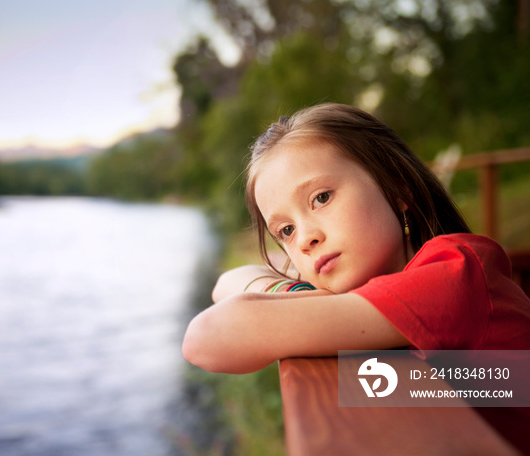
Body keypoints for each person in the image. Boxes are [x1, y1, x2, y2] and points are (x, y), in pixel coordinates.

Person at [182, 103, 530, 375]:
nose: (305, 238)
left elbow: (206, 337)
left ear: (397, 187)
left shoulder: (454, 273)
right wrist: (299, 294)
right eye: (286, 230)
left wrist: (299, 299)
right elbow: (227, 282)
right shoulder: (375, 299)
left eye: (322, 198)